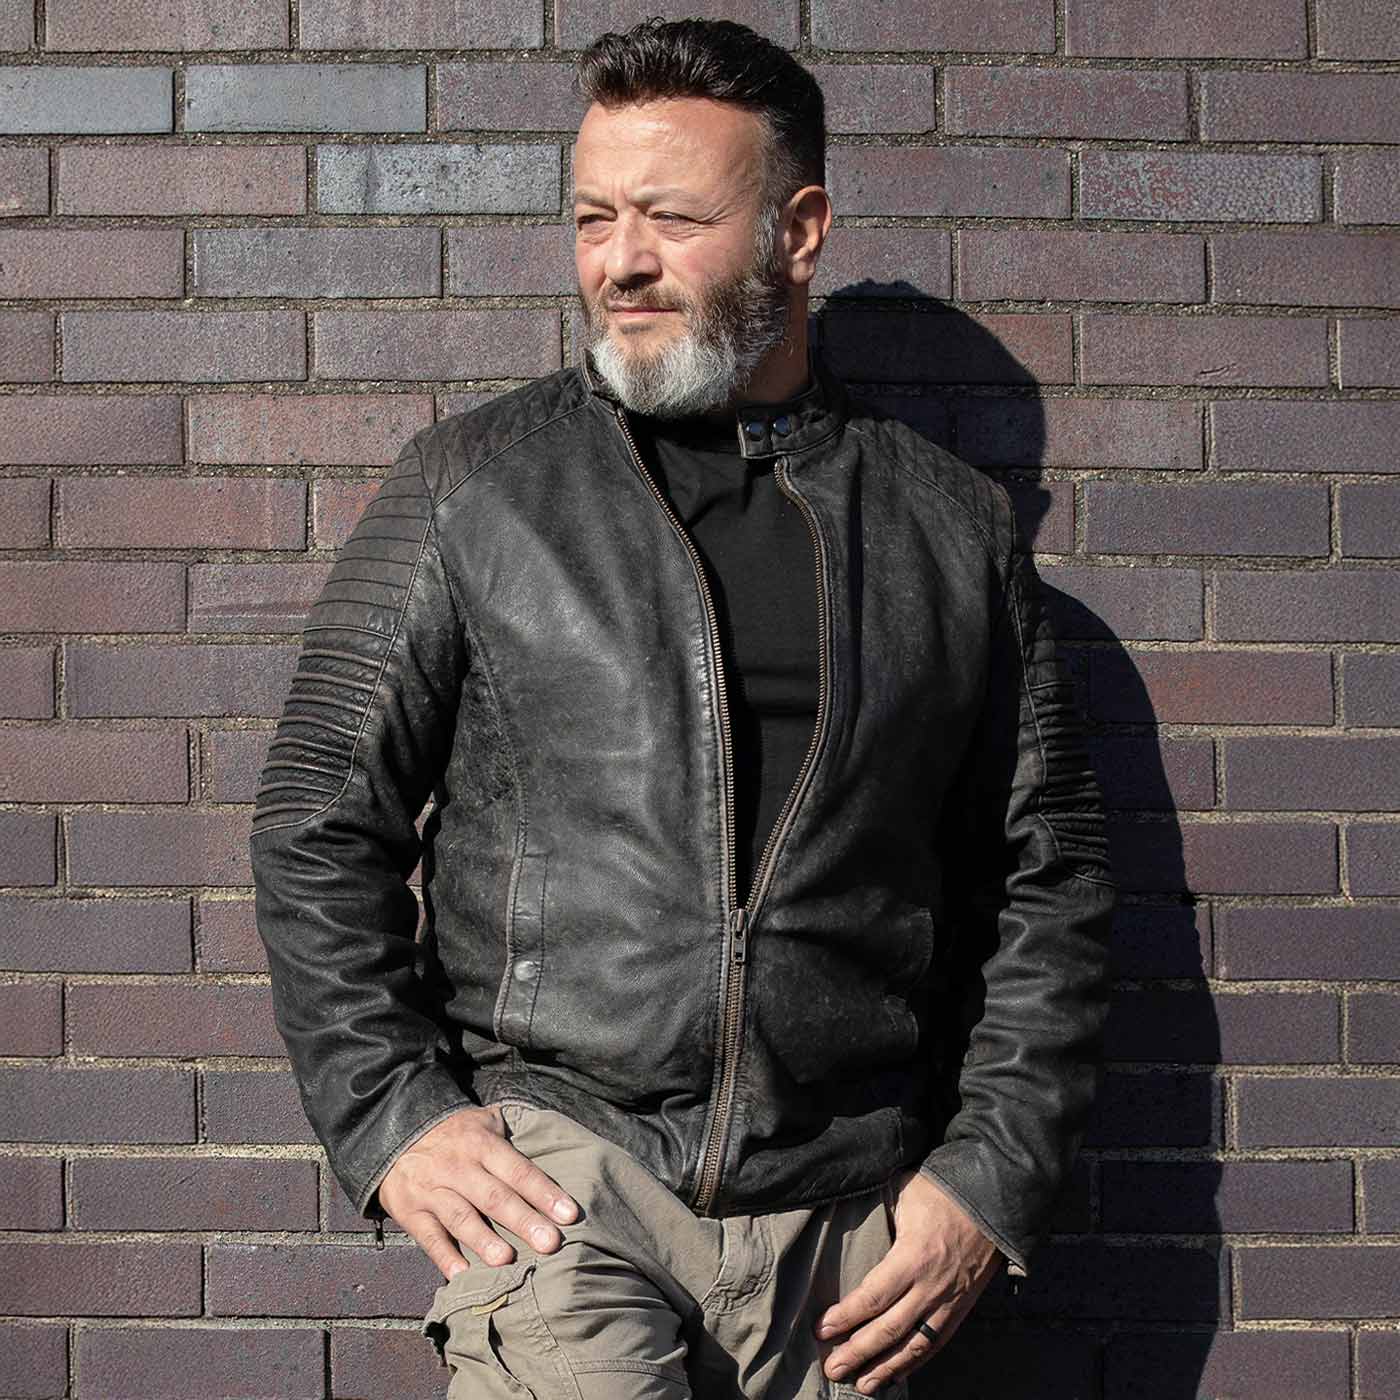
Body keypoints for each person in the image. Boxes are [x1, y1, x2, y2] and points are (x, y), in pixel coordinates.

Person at [249, 18, 1116, 1399]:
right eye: (594, 217)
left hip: (852, 1229)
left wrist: (988, 1179)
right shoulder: (478, 486)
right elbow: (317, 816)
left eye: (673, 217)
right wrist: (394, 1114)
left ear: (799, 231)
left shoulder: (950, 532)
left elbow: (1048, 881)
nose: (622, 261)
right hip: (564, 1187)